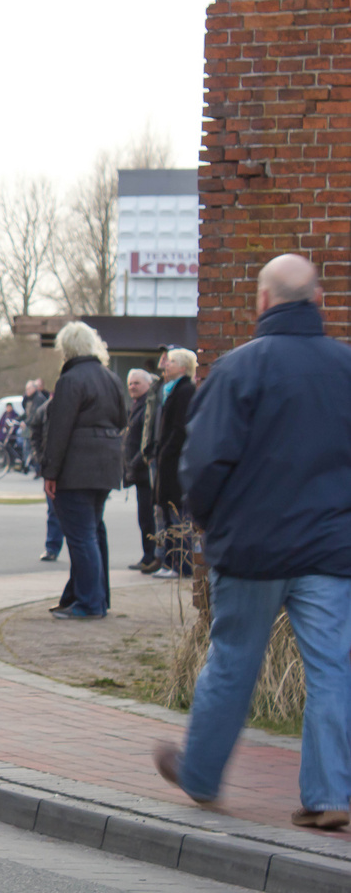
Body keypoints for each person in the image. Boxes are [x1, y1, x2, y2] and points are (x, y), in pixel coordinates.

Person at [154, 254, 351, 830]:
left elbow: (204, 463)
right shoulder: (346, 369)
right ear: (316, 300)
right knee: (334, 668)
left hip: (252, 549)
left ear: (263, 301)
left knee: (233, 661)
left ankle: (202, 776)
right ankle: (331, 793)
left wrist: (212, 524)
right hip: (331, 550)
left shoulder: (237, 370)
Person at [41, 321, 128, 620]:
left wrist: (50, 472)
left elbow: (59, 429)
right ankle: (93, 597)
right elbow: (122, 419)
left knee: (81, 537)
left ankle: (89, 603)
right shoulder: (111, 378)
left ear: (67, 348)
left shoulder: (70, 380)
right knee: (93, 532)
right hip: (106, 466)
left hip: (76, 468)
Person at [150, 347, 198, 578]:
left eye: (171, 362)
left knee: (177, 515)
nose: (166, 365)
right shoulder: (172, 390)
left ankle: (180, 564)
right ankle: (170, 561)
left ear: (183, 366)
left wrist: (166, 452)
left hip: (175, 462)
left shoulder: (185, 391)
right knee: (170, 515)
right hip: (169, 460)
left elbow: (179, 428)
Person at [123, 367, 161, 572]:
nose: (132, 386)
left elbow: (146, 440)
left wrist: (136, 461)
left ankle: (151, 556)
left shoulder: (149, 405)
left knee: (148, 517)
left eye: (137, 383)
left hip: (146, 471)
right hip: (138, 472)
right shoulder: (135, 405)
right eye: (130, 383)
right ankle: (148, 555)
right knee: (143, 517)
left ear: (147, 384)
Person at [29, 397, 64, 562]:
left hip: (74, 467)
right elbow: (35, 433)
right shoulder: (45, 409)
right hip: (51, 466)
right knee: (53, 511)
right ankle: (52, 547)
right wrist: (39, 458)